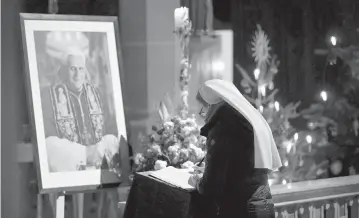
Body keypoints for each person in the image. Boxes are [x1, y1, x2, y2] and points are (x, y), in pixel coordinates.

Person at [188, 79, 282, 218]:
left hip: (239, 208)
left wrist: (197, 181)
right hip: (263, 204)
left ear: (211, 104)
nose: (202, 114)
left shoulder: (222, 126)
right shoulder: (249, 120)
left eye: (202, 109)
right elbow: (245, 167)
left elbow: (211, 186)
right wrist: (209, 169)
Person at [41, 52, 119, 172]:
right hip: (70, 167)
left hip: (99, 165)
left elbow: (111, 130)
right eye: (73, 69)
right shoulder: (49, 96)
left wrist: (99, 150)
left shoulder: (97, 94)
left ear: (85, 71)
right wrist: (83, 153)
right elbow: (48, 139)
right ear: (65, 71)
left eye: (81, 69)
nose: (77, 74)